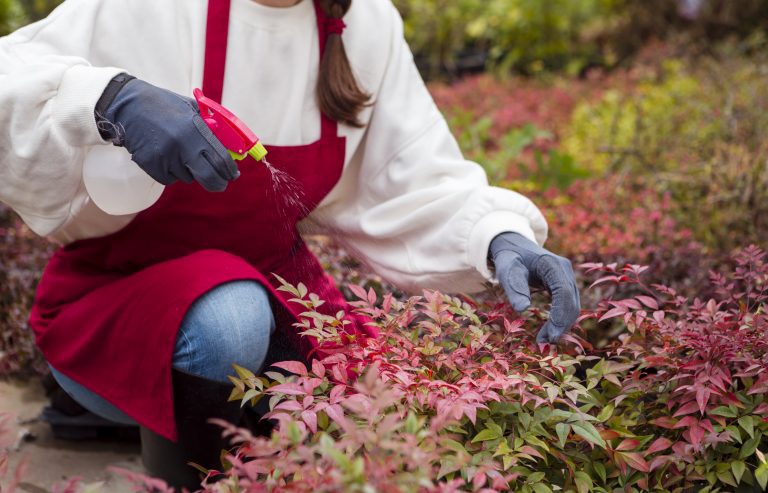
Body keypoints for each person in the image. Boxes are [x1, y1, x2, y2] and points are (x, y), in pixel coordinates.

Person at [0, 0, 581, 487]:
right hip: (111, 309)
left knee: (373, 398)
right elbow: (12, 71)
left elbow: (416, 175)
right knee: (229, 318)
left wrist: (499, 235)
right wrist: (107, 98)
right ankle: (182, 465)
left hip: (276, 301)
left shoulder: (364, 23)